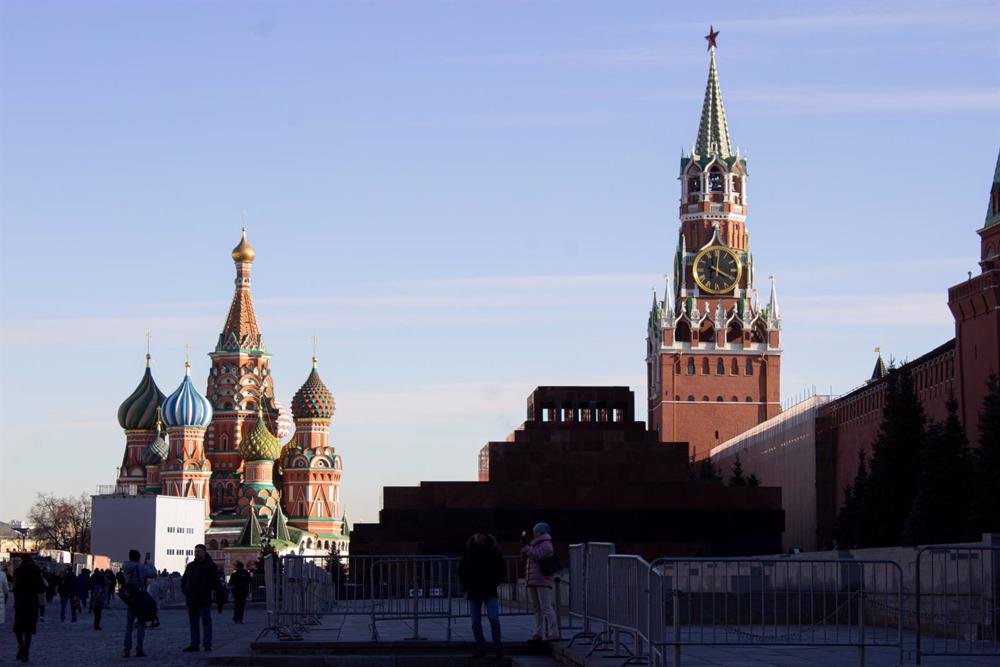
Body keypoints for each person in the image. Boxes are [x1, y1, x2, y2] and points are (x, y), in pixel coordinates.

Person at [458, 524, 505, 659]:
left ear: (485, 536)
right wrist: (466, 586)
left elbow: (501, 568)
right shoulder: (469, 551)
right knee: (475, 623)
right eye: (476, 534)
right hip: (474, 591)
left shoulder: (493, 551)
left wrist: (494, 583)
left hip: (489, 590)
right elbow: (462, 570)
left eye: (480, 534)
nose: (478, 537)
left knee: (494, 618)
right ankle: (481, 647)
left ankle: (498, 647)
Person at [521, 522, 560, 642]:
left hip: (542, 580)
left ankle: (554, 632)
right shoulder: (534, 544)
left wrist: (527, 549)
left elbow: (536, 556)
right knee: (537, 608)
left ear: (541, 532)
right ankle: (537, 633)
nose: (534, 533)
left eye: (536, 531)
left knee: (545, 607)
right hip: (533, 579)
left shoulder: (546, 544)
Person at [181, 544, 219, 652]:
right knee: (193, 623)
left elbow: (214, 581)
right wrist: (186, 591)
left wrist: (205, 589)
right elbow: (184, 580)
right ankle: (194, 644)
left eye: (199, 551)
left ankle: (207, 643)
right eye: (195, 551)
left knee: (206, 622)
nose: (196, 553)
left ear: (204, 552)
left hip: (203, 599)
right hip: (191, 599)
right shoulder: (191, 566)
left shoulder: (210, 565)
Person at [122, 549, 157, 658]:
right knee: (141, 625)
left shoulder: (125, 566)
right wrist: (150, 564)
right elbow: (153, 573)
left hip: (130, 598)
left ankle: (126, 649)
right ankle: (139, 649)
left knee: (129, 626)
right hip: (140, 598)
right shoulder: (140, 567)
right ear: (138, 557)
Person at [12, 554, 46, 662]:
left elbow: (14, 588)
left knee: (18, 628)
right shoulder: (36, 571)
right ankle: (26, 653)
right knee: (28, 630)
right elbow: (41, 588)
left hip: (20, 603)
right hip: (31, 603)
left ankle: (21, 645)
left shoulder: (18, 571)